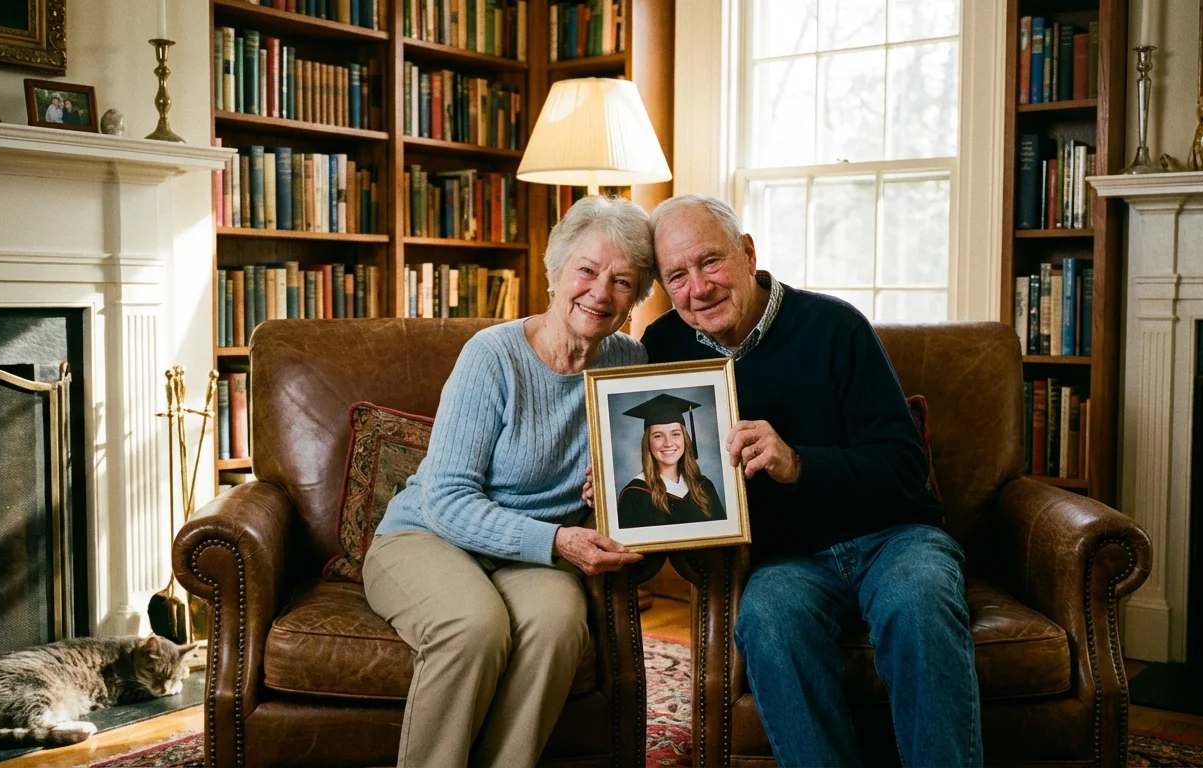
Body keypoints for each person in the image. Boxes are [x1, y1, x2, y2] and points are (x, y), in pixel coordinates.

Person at [641, 194, 983, 767]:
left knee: (918, 601)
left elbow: (902, 465)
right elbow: (654, 463)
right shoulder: (663, 346)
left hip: (894, 538)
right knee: (768, 619)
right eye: (677, 275)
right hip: (787, 560)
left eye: (710, 262)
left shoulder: (834, 326)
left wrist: (798, 463)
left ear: (747, 254)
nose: (698, 288)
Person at [362, 194, 654, 768]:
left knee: (557, 626)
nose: (600, 293)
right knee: (473, 625)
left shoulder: (630, 364)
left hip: (533, 557)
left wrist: (608, 499)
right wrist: (556, 540)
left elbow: (637, 485)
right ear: (556, 271)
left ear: (636, 298)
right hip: (428, 536)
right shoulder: (491, 357)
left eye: (622, 282)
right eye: (588, 271)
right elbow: (446, 499)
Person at [616, 393, 726, 528]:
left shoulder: (704, 486)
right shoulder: (633, 495)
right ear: (648, 443)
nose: (668, 443)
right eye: (658, 436)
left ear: (685, 439)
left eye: (675, 434)